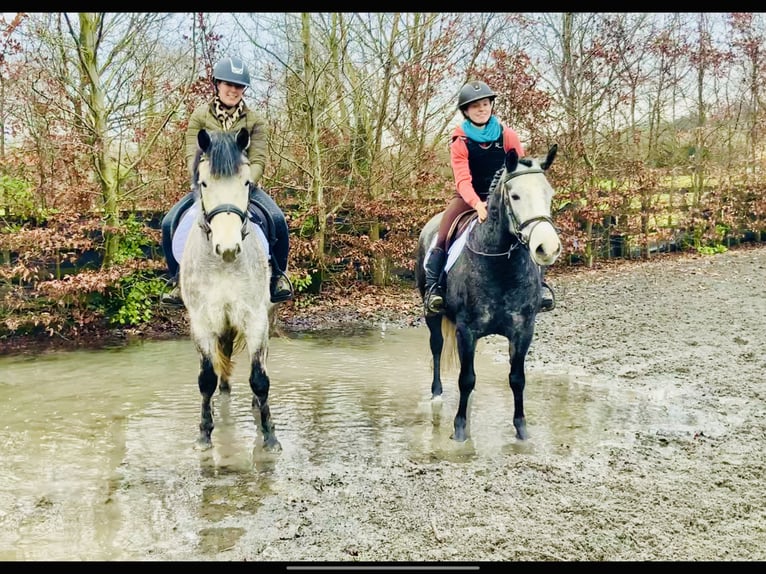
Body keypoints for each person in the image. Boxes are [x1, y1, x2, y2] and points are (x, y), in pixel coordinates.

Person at [160, 56, 293, 305]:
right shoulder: (200, 117)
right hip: (210, 187)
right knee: (168, 223)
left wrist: (245, 183)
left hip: (244, 188)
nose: (233, 90)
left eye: (239, 86)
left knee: (278, 220)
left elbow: (259, 160)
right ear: (217, 84)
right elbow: (193, 155)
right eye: (228, 84)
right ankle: (176, 280)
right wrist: (207, 179)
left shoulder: (255, 121)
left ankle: (277, 276)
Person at [423, 79, 555, 316]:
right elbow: (462, 179)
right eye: (475, 106)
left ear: (491, 106)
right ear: (466, 111)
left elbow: (520, 173)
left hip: (504, 198)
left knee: (528, 231)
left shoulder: (508, 135)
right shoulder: (460, 139)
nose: (482, 109)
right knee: (442, 234)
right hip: (468, 197)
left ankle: (540, 286)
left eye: (485, 104)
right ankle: (434, 288)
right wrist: (476, 204)